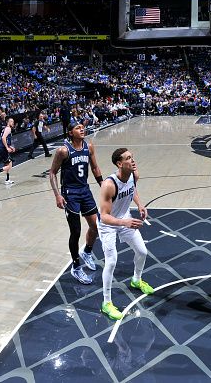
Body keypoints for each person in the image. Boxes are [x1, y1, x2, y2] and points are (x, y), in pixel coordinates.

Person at [98, 148, 154, 320]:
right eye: (128, 158)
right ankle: (106, 303)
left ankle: (136, 280)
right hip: (108, 226)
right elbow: (105, 216)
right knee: (111, 261)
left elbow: (132, 190)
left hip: (125, 220)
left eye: (132, 156)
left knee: (142, 252)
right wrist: (124, 222)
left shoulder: (133, 175)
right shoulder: (108, 185)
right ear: (119, 164)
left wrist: (140, 205)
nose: (133, 160)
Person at [49, 122, 103, 284]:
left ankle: (87, 251)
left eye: (82, 127)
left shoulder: (89, 147)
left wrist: (103, 184)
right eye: (78, 128)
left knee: (96, 227)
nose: (82, 129)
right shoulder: (63, 151)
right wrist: (57, 195)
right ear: (70, 132)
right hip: (70, 194)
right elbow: (52, 173)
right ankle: (76, 267)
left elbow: (95, 168)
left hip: (85, 191)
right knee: (76, 231)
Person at [0, 117, 16, 185]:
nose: (13, 123)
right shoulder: (8, 129)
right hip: (3, 148)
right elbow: (3, 138)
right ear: (8, 122)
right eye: (11, 121)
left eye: (13, 122)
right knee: (10, 165)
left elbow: (5, 140)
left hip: (2, 148)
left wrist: (10, 147)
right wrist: (7, 148)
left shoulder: (6, 129)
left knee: (8, 164)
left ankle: (7, 179)